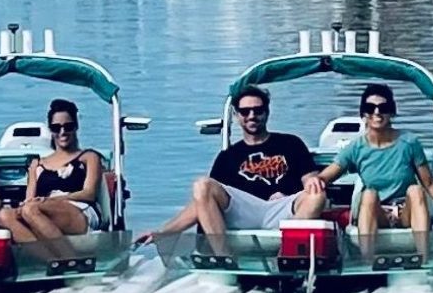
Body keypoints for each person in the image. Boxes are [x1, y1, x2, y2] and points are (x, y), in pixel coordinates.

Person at [135, 85, 325, 245]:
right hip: (244, 211)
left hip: (283, 208)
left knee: (316, 194)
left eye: (258, 110)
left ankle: (290, 255)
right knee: (202, 185)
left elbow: (311, 181)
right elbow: (202, 202)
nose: (252, 116)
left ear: (267, 112)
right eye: (245, 111)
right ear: (237, 115)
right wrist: (163, 232)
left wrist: (306, 188)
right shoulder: (228, 157)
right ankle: (223, 258)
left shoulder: (291, 143)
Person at [307, 84, 433, 243]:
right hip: (375, 211)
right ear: (363, 114)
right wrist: (316, 180)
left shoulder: (409, 142)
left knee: (416, 190)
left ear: (391, 112)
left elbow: (430, 184)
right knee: (369, 194)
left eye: (383, 108)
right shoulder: (356, 148)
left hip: (405, 211)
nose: (377, 113)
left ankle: (424, 261)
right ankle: (367, 263)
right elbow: (326, 176)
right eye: (370, 108)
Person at [0, 99, 103, 242]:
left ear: (76, 127)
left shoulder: (88, 157)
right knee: (4, 215)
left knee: (31, 209)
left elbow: (89, 194)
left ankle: (67, 257)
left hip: (78, 209)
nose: (62, 132)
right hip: (40, 210)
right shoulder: (37, 164)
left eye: (68, 126)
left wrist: (52, 200)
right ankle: (51, 258)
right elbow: (29, 199)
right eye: (56, 128)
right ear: (51, 130)